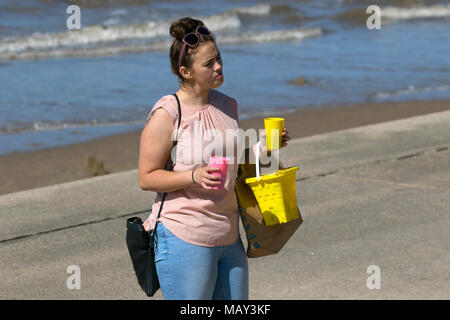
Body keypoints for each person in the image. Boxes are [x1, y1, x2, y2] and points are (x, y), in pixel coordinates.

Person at [138, 17, 290, 300]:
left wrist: (266, 149)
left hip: (229, 235)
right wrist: (194, 176)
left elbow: (236, 163)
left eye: (218, 58)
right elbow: (147, 177)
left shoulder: (227, 105)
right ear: (186, 71)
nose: (218, 66)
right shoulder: (167, 113)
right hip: (184, 236)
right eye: (209, 64)